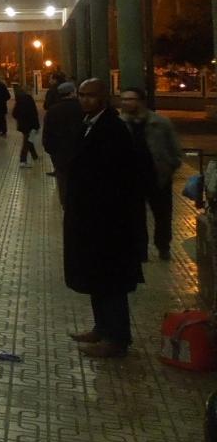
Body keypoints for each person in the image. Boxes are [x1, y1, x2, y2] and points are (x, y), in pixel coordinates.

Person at [65, 79, 145, 358]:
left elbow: (117, 176)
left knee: (111, 280)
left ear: (104, 97)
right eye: (81, 95)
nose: (85, 100)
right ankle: (101, 327)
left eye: (91, 95)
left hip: (109, 221)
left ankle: (117, 337)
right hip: (90, 218)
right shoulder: (89, 124)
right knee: (96, 276)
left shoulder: (113, 129)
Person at [119, 86, 183, 262]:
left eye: (130, 99)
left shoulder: (160, 123)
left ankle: (163, 245)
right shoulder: (120, 124)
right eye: (123, 99)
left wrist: (170, 165)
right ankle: (140, 250)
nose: (125, 103)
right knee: (135, 217)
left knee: (162, 215)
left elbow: (175, 148)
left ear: (141, 101)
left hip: (158, 177)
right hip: (131, 178)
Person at [42, 81, 82, 204]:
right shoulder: (82, 108)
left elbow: (47, 133)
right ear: (73, 92)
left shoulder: (53, 110)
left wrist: (52, 151)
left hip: (60, 153)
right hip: (80, 152)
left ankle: (65, 204)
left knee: (63, 180)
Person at [13, 83, 41, 166]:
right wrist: (36, 126)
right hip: (30, 125)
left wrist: (20, 119)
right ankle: (23, 160)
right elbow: (34, 114)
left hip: (22, 125)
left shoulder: (19, 100)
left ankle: (34, 156)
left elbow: (14, 113)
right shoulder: (29, 99)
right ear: (29, 91)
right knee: (27, 142)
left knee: (29, 140)